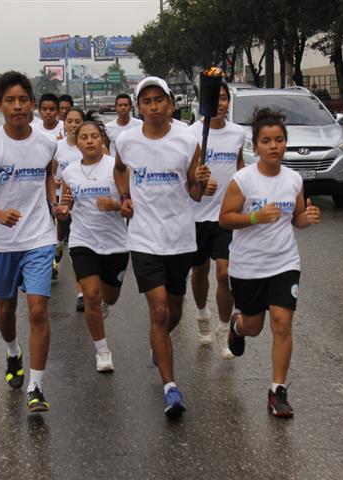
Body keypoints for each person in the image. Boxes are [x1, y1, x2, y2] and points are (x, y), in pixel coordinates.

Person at [113, 76, 211, 418]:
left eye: (159, 100)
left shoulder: (187, 140)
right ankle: (171, 388)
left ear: (170, 104)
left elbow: (195, 193)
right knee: (158, 312)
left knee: (173, 313)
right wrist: (125, 197)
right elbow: (120, 169)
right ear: (139, 107)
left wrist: (202, 184)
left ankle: (160, 342)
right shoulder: (126, 140)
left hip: (180, 238)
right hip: (143, 238)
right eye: (147, 101)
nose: (153, 107)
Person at [0, 71, 60, 413]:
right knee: (5, 309)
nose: (18, 106)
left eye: (23, 100)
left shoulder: (48, 144)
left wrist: (53, 203)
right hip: (2, 242)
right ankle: (13, 353)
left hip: (39, 237)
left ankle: (36, 387)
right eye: (10, 100)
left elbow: (48, 175)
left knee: (37, 310)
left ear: (32, 104)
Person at [219, 108, 321, 418]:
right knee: (254, 327)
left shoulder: (294, 179)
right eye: (266, 141)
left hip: (284, 263)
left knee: (282, 322)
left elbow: (296, 218)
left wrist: (307, 218)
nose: (273, 146)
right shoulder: (243, 180)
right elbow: (225, 219)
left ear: (285, 143)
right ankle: (236, 327)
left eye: (279, 140)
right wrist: (254, 217)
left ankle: (277, 390)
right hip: (248, 266)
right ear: (257, 146)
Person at [58, 120, 129, 373]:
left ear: (102, 140)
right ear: (77, 144)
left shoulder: (117, 169)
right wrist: (62, 211)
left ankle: (106, 303)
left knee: (110, 296)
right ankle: (102, 351)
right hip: (83, 240)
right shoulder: (69, 173)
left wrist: (116, 206)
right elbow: (65, 208)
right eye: (84, 137)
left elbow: (133, 206)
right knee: (90, 296)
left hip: (116, 243)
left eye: (94, 136)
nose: (89, 141)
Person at [186, 82, 245, 358]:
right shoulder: (191, 135)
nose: (220, 103)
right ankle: (201, 316)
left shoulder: (237, 134)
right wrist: (198, 185)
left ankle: (224, 331)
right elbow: (185, 176)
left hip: (225, 216)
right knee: (199, 272)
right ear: (204, 103)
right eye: (216, 99)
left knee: (224, 274)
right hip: (197, 216)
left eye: (224, 98)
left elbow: (240, 167)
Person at [52, 107, 85, 311]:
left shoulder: (90, 144)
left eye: (77, 121)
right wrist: (56, 185)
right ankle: (54, 258)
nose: (73, 125)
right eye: (70, 121)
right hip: (61, 203)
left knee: (76, 247)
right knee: (60, 236)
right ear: (64, 123)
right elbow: (52, 173)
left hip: (84, 205)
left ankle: (81, 293)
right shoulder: (57, 146)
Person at [105, 94, 142, 159]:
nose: (123, 108)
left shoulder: (139, 124)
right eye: (120, 105)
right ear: (116, 108)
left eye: (125, 105)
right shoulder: (108, 127)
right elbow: (106, 147)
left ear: (130, 107)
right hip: (115, 165)